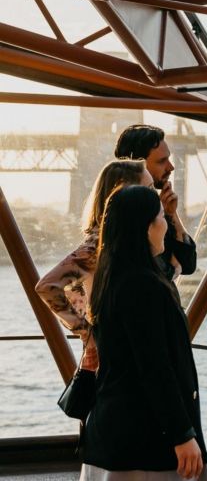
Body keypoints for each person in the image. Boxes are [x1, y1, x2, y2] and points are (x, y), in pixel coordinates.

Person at [81, 185, 207, 480]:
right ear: (146, 227)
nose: (166, 223)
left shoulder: (110, 279)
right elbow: (154, 366)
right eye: (162, 216)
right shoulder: (143, 285)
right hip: (145, 441)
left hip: (111, 434)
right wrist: (182, 434)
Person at [36, 159, 152, 371]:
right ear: (124, 192)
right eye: (149, 188)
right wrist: (87, 334)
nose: (155, 197)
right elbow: (47, 287)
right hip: (113, 358)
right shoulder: (99, 244)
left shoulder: (121, 240)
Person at [114, 124, 196, 281]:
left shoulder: (156, 211)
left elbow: (189, 264)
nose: (171, 167)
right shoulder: (123, 219)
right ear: (137, 165)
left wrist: (171, 214)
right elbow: (163, 272)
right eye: (162, 161)